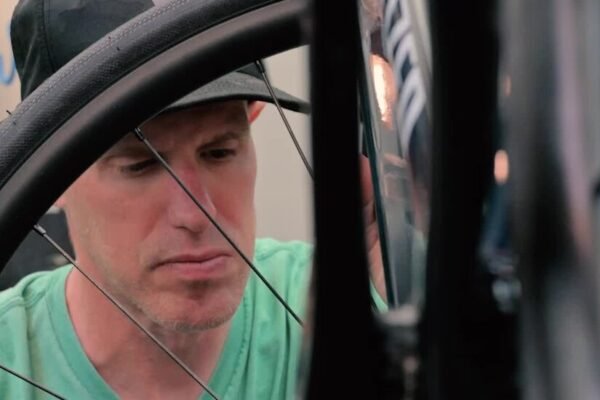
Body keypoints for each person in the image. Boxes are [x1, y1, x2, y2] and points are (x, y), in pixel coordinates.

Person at [0, 0, 384, 399]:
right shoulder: (10, 357)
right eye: (140, 165)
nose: (197, 213)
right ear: (54, 178)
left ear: (252, 119)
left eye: (219, 152)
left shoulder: (340, 302)